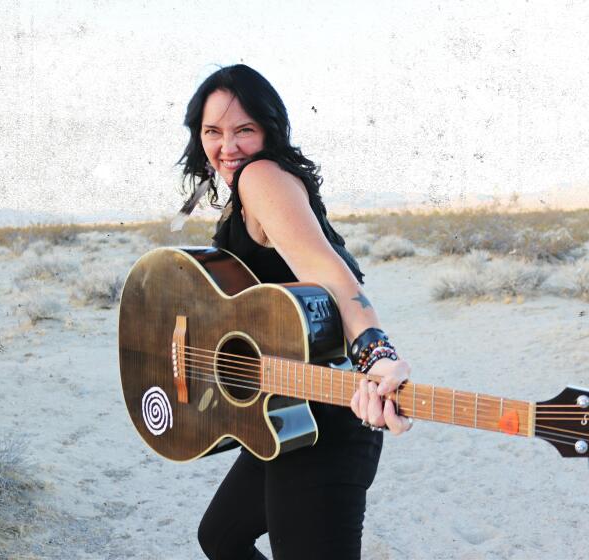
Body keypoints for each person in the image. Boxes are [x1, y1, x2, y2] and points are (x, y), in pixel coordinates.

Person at [177, 64, 413, 560]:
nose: (228, 147)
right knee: (220, 537)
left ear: (269, 129)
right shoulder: (254, 182)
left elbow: (325, 269)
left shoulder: (260, 178)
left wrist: (377, 353)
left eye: (244, 130)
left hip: (326, 424)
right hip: (282, 415)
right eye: (212, 132)